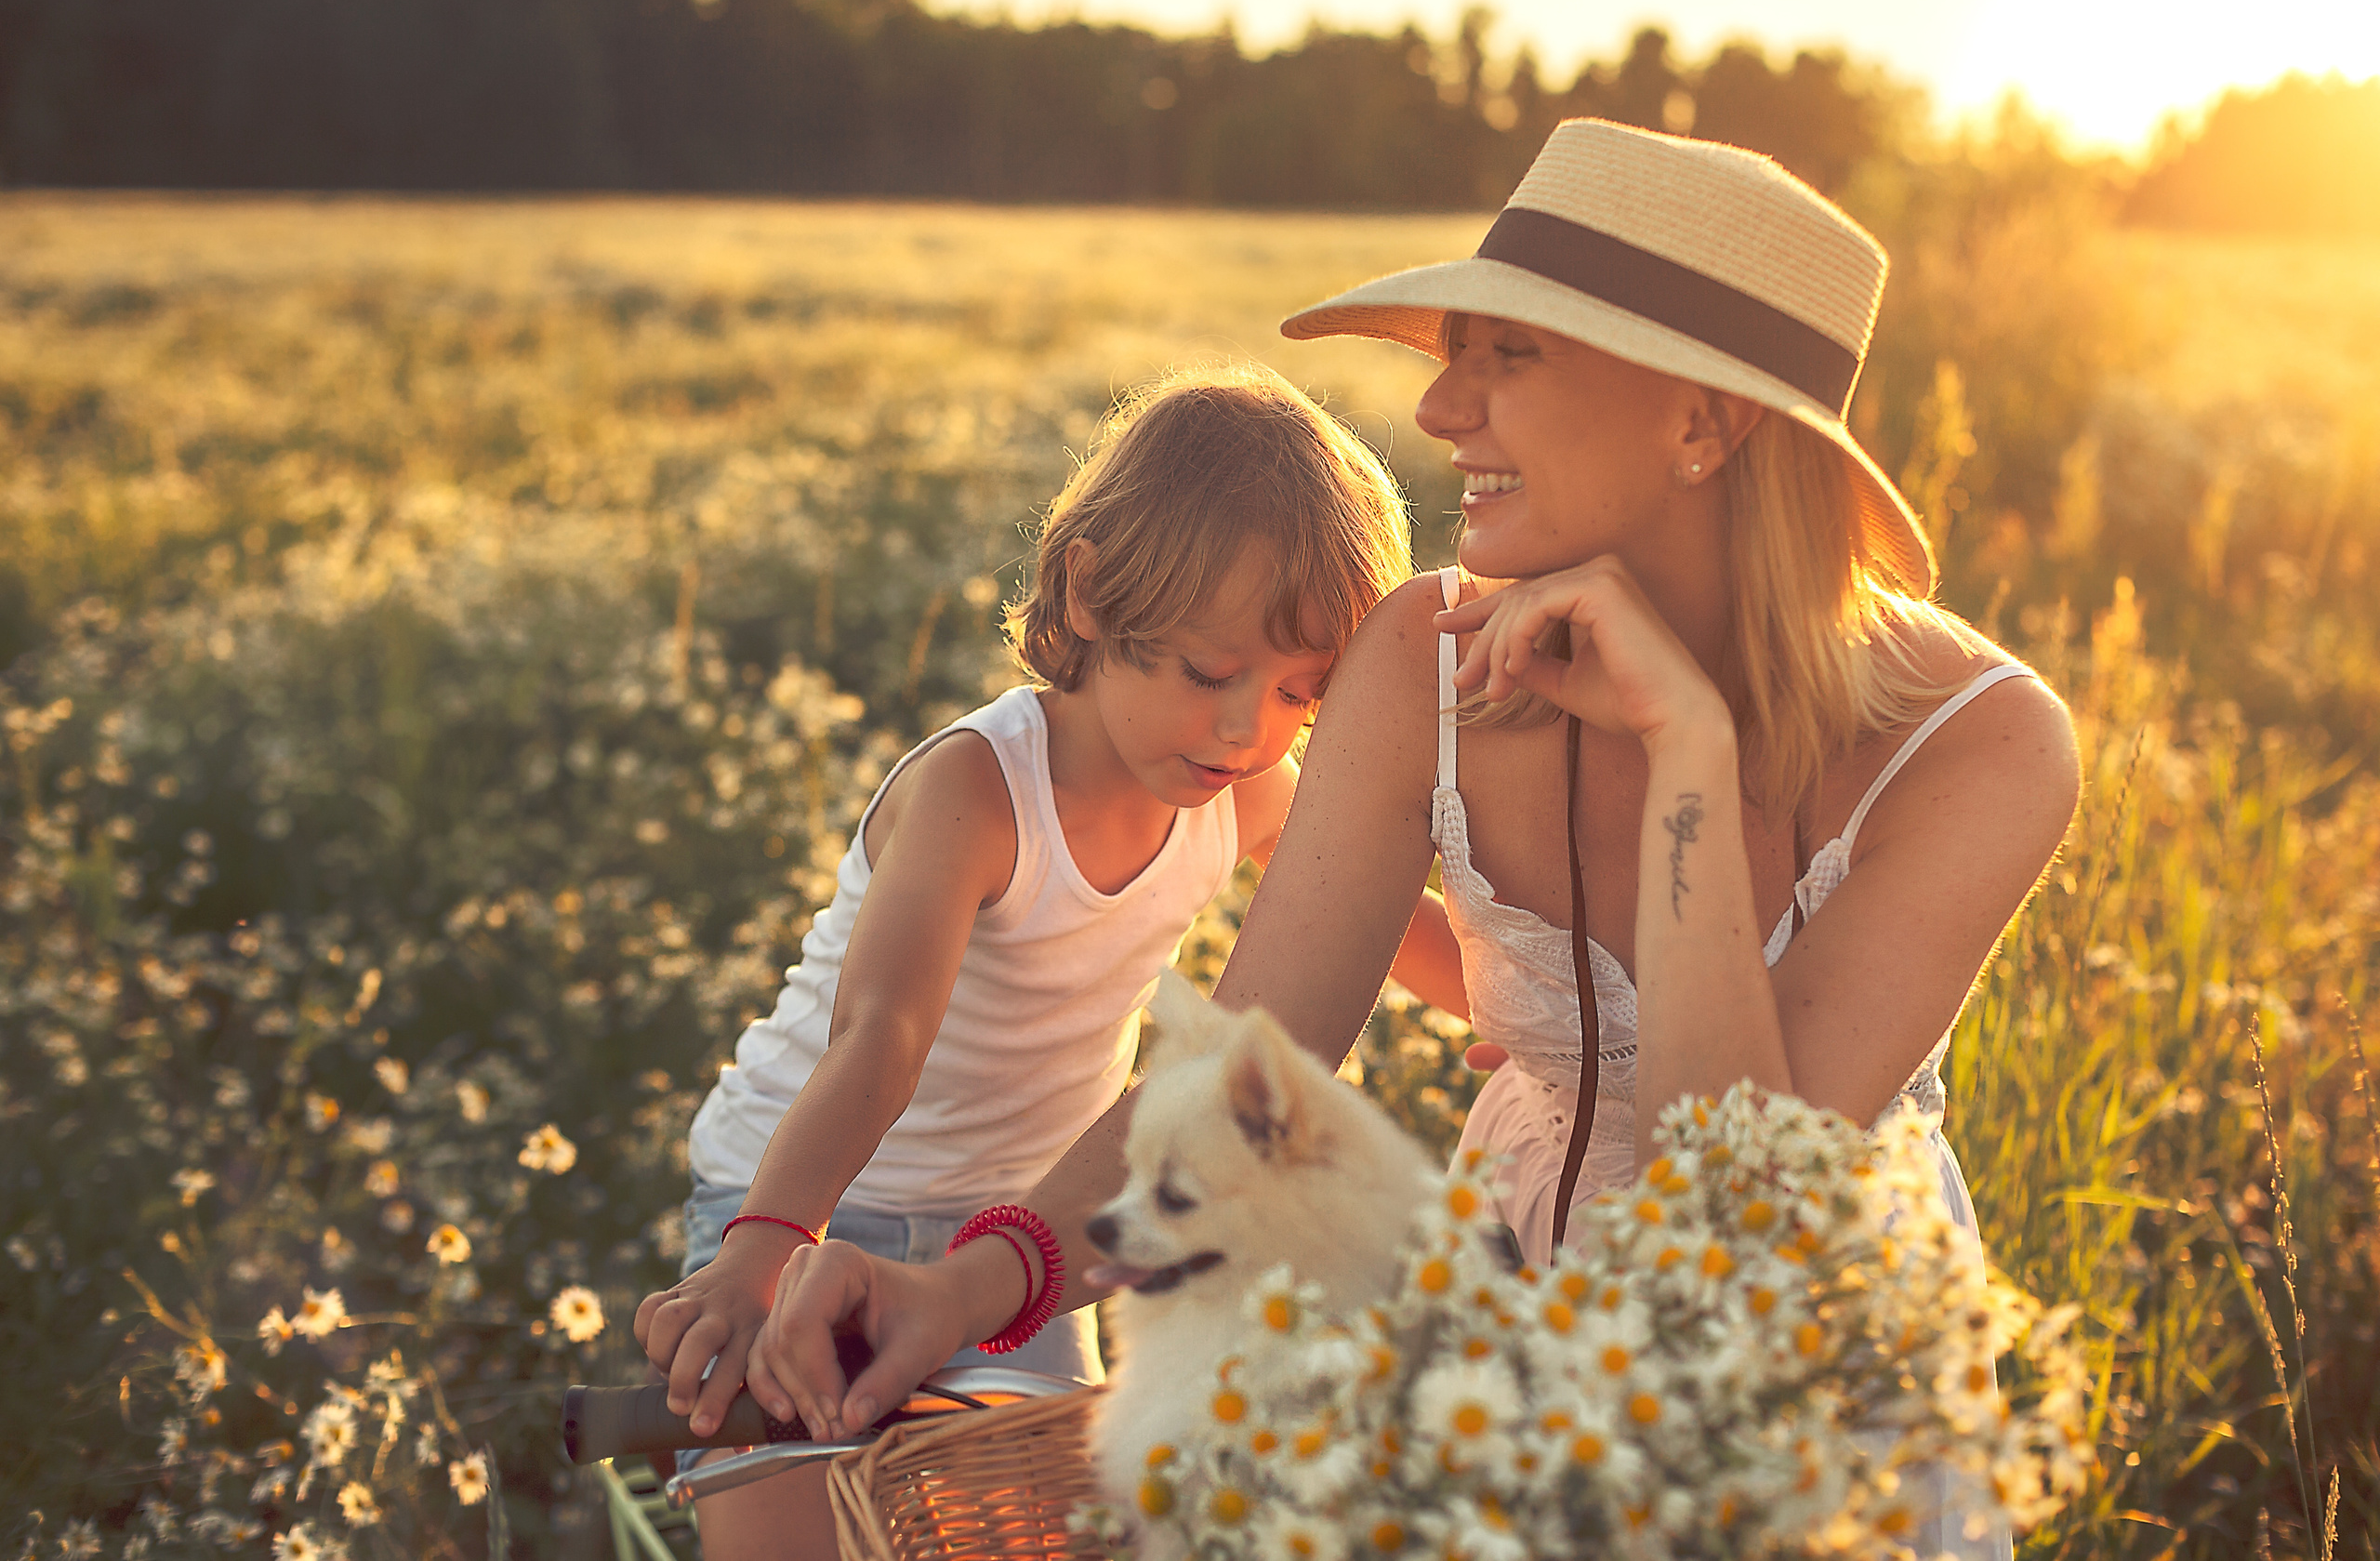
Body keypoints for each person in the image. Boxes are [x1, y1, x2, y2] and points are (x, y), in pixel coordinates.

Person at [755, 122, 2078, 1557]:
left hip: (1818, 1383)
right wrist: (959, 1293)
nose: (1441, 406)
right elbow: (1237, 1065)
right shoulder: (1419, 657)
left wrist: (1684, 747)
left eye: (1509, 357)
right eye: (1453, 351)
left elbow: (1738, 1222)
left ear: (1703, 423)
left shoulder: (1986, 746)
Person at [631, 363, 1463, 1558]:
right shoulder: (979, 790)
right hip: (806, 1197)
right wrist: (762, 1249)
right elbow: (880, 1042)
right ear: (1087, 593)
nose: (1248, 730)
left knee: (1037, 1534)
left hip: (1019, 1235)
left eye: (1297, 691)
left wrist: (1529, 1016)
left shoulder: (1247, 792)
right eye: (1207, 672)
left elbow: (1387, 927)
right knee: (788, 1529)